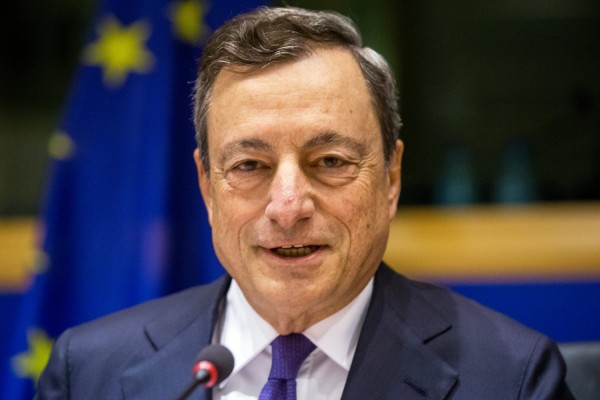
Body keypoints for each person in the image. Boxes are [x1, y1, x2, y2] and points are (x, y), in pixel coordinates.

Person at [37, 6, 574, 400]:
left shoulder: (512, 378)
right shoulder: (88, 373)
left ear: (390, 179)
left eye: (330, 161)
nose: (288, 207)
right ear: (206, 186)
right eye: (250, 166)